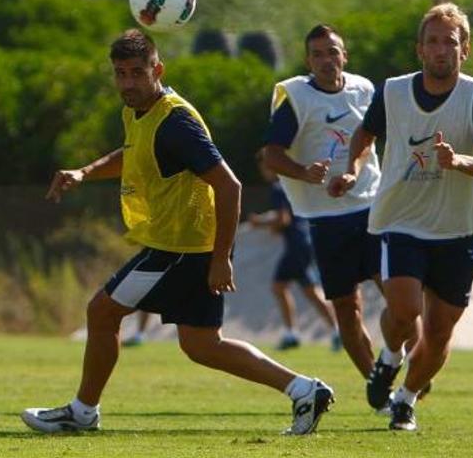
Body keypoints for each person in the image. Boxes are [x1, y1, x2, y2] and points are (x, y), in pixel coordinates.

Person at [20, 29, 334, 436]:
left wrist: (221, 259)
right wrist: (86, 172)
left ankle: (81, 411)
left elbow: (230, 185)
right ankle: (304, 389)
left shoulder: (176, 121)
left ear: (158, 69)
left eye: (137, 72)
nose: (128, 83)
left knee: (102, 312)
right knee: (202, 345)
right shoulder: (137, 111)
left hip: (182, 249)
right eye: (120, 74)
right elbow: (135, 153)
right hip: (182, 245)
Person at [330, 3, 473, 431]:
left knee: (440, 332)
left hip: (457, 227)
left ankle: (405, 399)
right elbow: (365, 133)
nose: (441, 49)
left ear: (465, 49)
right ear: (419, 50)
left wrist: (460, 162)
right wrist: (352, 168)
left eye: (451, 41)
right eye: (433, 41)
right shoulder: (392, 91)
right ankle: (389, 359)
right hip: (401, 220)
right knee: (405, 308)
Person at [261, 24, 409, 410]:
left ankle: (393, 361)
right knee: (347, 307)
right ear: (309, 61)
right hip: (325, 218)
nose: (327, 60)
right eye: (318, 54)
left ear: (345, 55)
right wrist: (304, 171)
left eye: (333, 52)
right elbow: (272, 155)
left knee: (400, 296)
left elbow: (372, 137)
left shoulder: (366, 90)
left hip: (373, 207)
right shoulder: (295, 96)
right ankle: (381, 394)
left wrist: (354, 171)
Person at [248, 151, 339, 351]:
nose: (264, 172)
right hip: (304, 241)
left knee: (278, 286)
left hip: (297, 244)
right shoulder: (289, 185)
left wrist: (260, 222)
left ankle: (292, 334)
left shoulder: (277, 187)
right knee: (310, 291)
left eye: (265, 167)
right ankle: (337, 331)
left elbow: (283, 219)